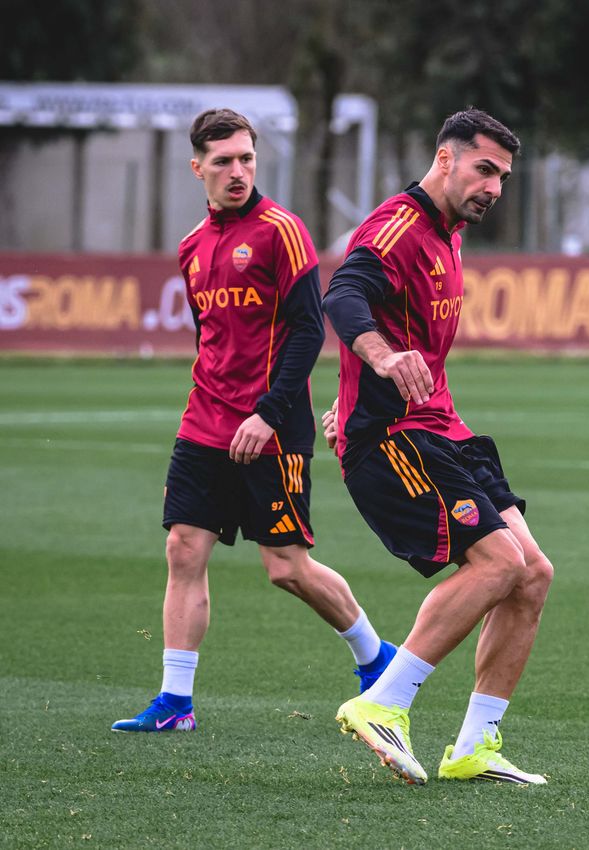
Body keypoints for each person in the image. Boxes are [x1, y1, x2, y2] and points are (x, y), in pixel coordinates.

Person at [111, 108, 394, 733]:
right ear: (198, 169)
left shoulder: (281, 231)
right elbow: (213, 340)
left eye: (246, 159)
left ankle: (376, 658)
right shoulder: (191, 247)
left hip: (274, 429)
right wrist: (211, 414)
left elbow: (307, 330)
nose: (237, 172)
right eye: (223, 162)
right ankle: (175, 702)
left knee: (285, 567)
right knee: (183, 547)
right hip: (204, 423)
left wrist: (267, 414)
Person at [321, 108, 553, 786]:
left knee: (532, 575)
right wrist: (381, 361)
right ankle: (381, 704)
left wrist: (358, 380)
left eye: (504, 176)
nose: (495, 188)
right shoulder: (397, 225)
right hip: (391, 440)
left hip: (439, 428)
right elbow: (344, 296)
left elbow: (387, 319)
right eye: (485, 170)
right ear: (445, 159)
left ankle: (474, 746)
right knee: (497, 563)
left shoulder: (449, 233)